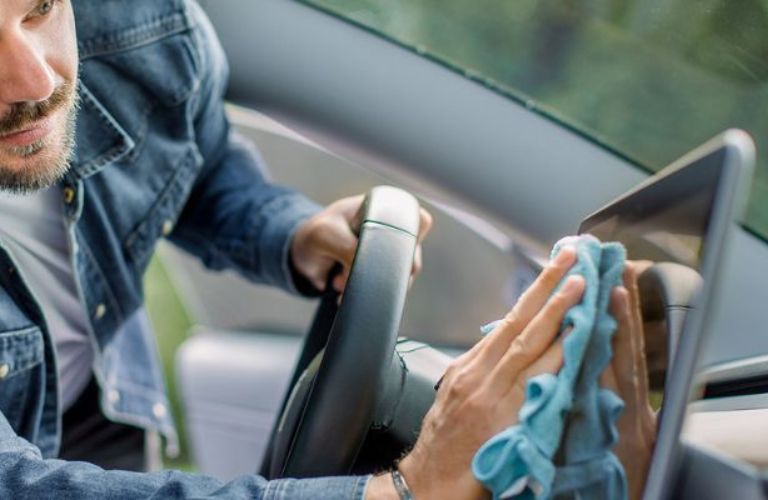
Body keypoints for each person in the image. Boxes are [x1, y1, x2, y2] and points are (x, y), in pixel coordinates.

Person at [0, 0, 654, 498]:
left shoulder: (143, 27)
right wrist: (397, 488)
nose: (32, 80)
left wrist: (291, 232)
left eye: (39, 9)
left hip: (105, 401)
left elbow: (194, 163)